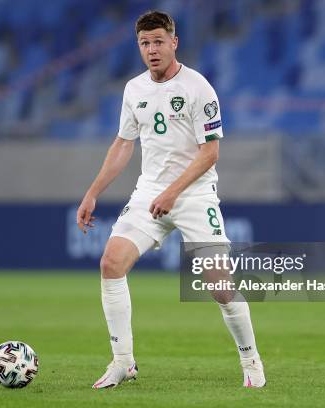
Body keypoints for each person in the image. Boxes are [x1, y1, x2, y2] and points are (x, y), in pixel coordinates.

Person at [76, 10, 266, 389]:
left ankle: (252, 361)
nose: (152, 50)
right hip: (150, 194)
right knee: (111, 263)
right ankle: (123, 362)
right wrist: (93, 192)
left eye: (159, 41)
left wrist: (173, 192)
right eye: (145, 43)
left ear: (174, 42)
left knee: (219, 286)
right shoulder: (134, 89)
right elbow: (122, 145)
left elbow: (210, 154)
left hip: (194, 195)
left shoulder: (198, 88)